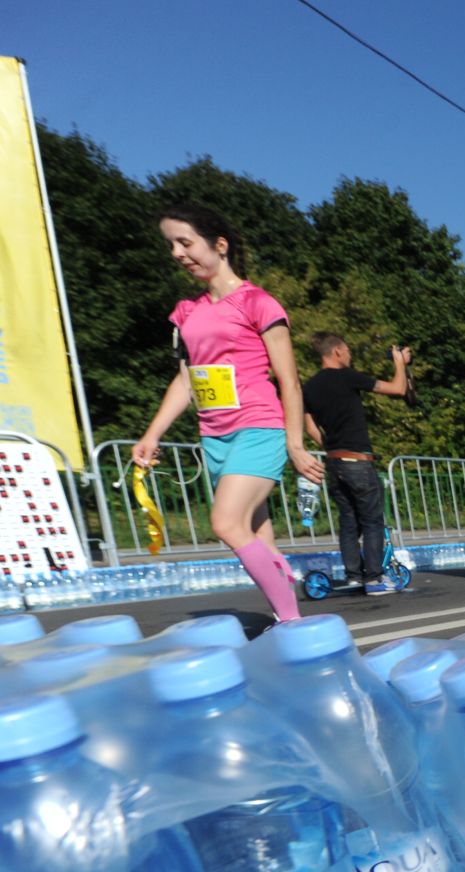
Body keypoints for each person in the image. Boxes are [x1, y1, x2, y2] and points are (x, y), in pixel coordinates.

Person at [132, 203, 319, 625]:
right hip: (215, 435)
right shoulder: (187, 312)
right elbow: (185, 380)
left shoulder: (257, 302)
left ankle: (294, 626)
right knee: (257, 537)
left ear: (219, 245)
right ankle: (286, 617)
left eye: (185, 242)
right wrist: (152, 434)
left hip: (259, 426)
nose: (178, 253)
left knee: (226, 522)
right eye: (171, 245)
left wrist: (294, 444)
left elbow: (289, 381)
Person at [302, 333, 410, 595]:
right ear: (337, 352)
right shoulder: (347, 377)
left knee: (349, 520)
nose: (350, 355)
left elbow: (309, 425)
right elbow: (398, 389)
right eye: (347, 350)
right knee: (372, 521)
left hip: (334, 461)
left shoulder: (309, 386)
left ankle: (353, 575)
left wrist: (329, 446)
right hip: (358, 461)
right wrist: (400, 363)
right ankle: (373, 578)